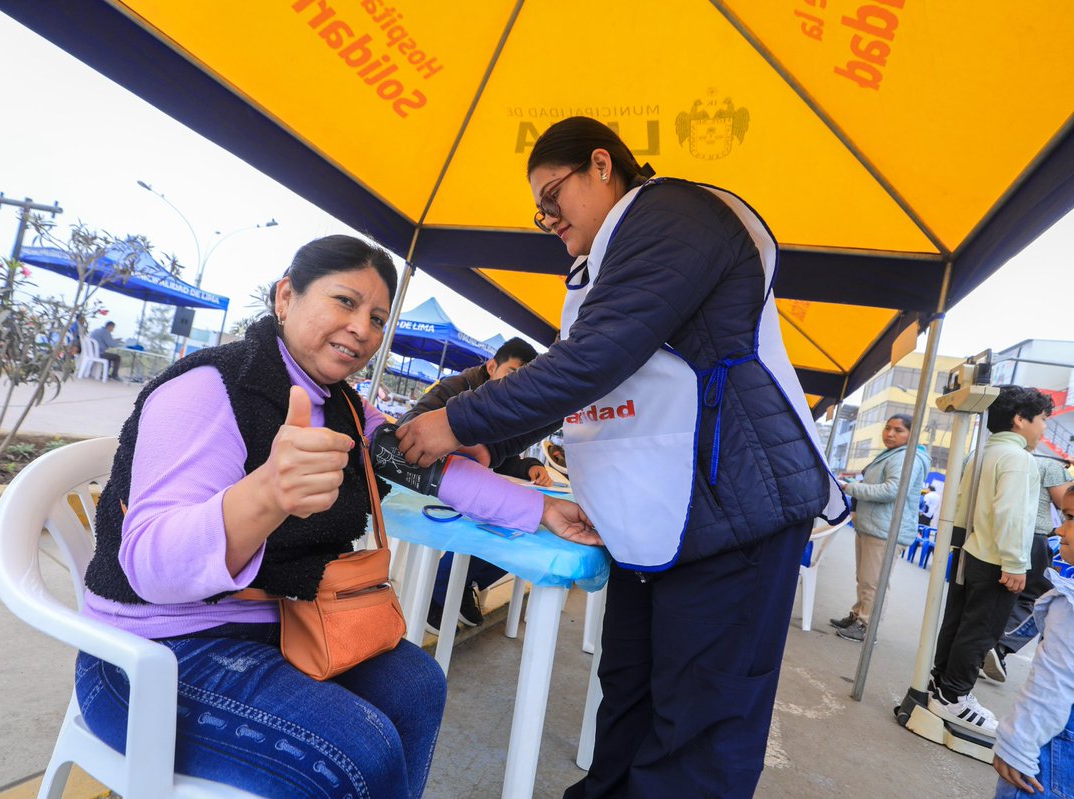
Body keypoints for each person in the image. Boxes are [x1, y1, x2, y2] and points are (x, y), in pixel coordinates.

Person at [395, 116, 846, 798]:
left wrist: (456, 422)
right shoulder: (603, 264)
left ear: (602, 166)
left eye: (553, 195)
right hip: (658, 515)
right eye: (538, 208)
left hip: (734, 508)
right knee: (629, 689)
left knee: (699, 725)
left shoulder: (675, 217)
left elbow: (593, 361)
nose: (547, 217)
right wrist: (492, 443)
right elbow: (585, 383)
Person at [75, 235, 600, 798]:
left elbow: (434, 469)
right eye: (345, 301)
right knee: (362, 749)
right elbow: (152, 569)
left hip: (280, 625)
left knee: (419, 684)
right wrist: (266, 494)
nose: (362, 329)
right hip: (152, 656)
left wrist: (544, 508)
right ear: (286, 297)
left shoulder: (346, 405)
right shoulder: (208, 387)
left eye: (376, 318)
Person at [398, 336, 553, 632]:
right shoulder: (455, 388)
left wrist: (529, 465)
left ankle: (464, 582)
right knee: (493, 516)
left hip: (470, 486)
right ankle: (439, 591)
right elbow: (410, 425)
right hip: (427, 483)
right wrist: (456, 440)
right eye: (512, 374)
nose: (516, 385)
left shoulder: (512, 405)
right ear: (492, 366)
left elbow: (499, 458)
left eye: (524, 380)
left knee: (525, 526)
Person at [929, 385, 1053, 736]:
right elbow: (1012, 514)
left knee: (958, 623)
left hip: (971, 551)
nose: (1044, 428)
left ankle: (941, 685)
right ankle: (954, 696)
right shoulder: (1019, 459)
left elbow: (961, 504)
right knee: (981, 631)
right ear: (1020, 419)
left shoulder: (981, 453)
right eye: (1042, 419)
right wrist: (1014, 563)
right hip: (998, 559)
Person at [991, 486, 1074, 798]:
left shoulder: (1069, 606)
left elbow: (1053, 683)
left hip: (1049, 756)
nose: (1059, 529)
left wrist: (1016, 745)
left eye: (1070, 518)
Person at [830, 414, 929, 642]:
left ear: (912, 434)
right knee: (864, 578)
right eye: (887, 428)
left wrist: (850, 488)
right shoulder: (892, 454)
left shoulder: (907, 457)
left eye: (898, 430)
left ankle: (867, 626)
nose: (890, 434)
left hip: (886, 530)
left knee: (874, 581)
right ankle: (857, 615)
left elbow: (891, 490)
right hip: (873, 526)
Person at [985, 453, 1073, 681]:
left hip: (995, 533)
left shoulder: (999, 457)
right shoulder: (1052, 467)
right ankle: (1001, 644)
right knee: (1038, 596)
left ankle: (982, 646)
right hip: (1032, 536)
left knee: (1000, 593)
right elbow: (1066, 501)